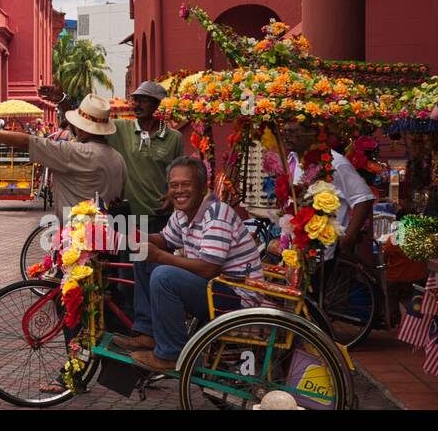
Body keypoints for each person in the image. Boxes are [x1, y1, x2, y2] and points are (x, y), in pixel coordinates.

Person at [118, 156, 263, 372]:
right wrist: (129, 237)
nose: (179, 191)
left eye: (186, 184)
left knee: (163, 275)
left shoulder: (216, 214)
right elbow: (165, 239)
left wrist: (159, 256)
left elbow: (208, 268)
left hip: (237, 297)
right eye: (173, 185)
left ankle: (171, 354)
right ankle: (148, 333)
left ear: (203, 186)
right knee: (143, 257)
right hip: (214, 287)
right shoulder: (183, 213)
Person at [0, 93, 125, 222]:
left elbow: (26, 141)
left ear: (81, 127)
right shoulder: (118, 159)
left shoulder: (74, 153)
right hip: (110, 236)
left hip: (78, 237)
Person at [279, 123, 376, 268]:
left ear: (312, 132)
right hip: (296, 247)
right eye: (284, 132)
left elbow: (364, 198)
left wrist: (347, 238)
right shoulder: (293, 160)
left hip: (324, 251)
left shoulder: (335, 162)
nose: (287, 137)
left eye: (293, 131)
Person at [106, 81, 184, 235]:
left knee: (156, 257)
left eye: (144, 100)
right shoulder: (120, 129)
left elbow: (180, 173)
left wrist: (171, 193)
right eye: (135, 100)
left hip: (159, 215)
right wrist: (63, 102)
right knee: (128, 258)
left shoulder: (174, 137)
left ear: (156, 104)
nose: (137, 105)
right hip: (127, 215)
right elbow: (88, 126)